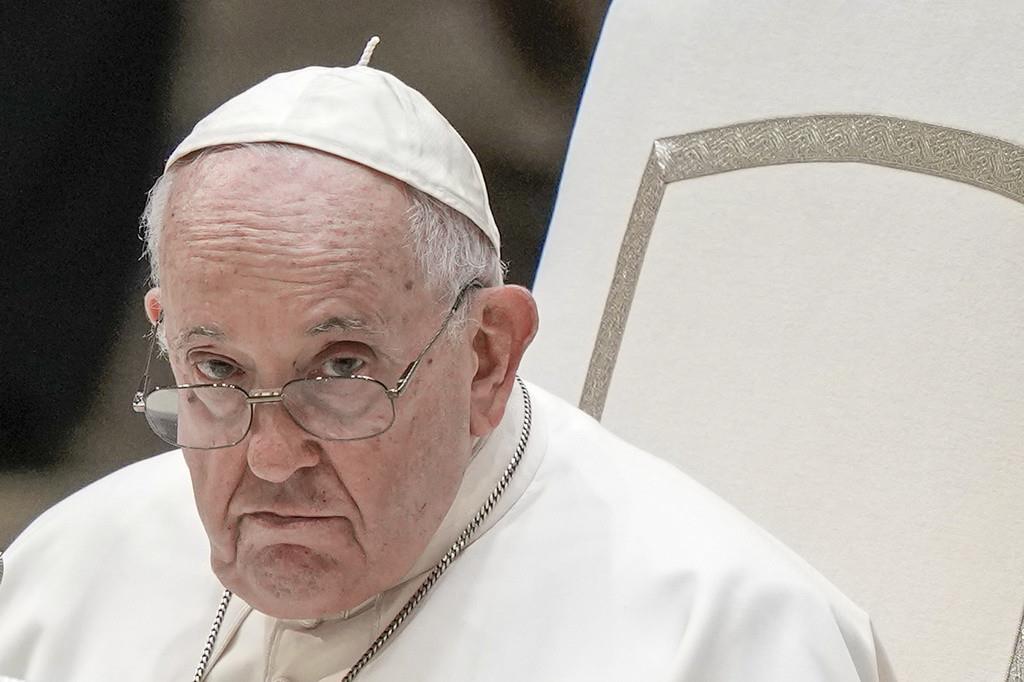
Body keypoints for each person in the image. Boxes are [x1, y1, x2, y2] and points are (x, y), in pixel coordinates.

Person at [0, 44, 892, 682]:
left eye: (340, 370)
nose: (269, 459)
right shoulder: (65, 577)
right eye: (220, 374)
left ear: (487, 358)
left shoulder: (722, 636)